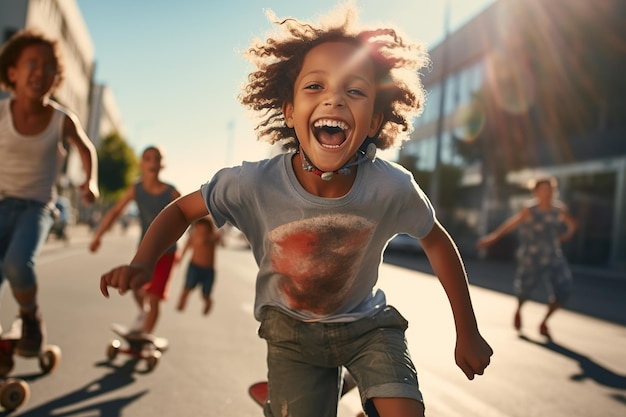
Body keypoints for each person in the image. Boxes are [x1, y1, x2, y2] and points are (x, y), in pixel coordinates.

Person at [99, 3, 493, 416]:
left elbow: (435, 239)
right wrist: (144, 261)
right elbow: (181, 211)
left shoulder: (390, 186)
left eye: (354, 90)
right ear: (289, 111)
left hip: (367, 327)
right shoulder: (253, 183)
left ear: (375, 120)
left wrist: (466, 328)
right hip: (291, 335)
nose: (335, 100)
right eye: (315, 87)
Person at [0, 29, 99, 356]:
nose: (40, 71)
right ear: (12, 72)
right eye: (32, 63)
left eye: (48, 66)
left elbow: (86, 149)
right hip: (2, 202)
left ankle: (30, 317)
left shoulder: (61, 119)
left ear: (56, 78)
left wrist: (91, 181)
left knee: (18, 265)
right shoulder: (2, 114)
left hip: (37, 207)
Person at [90, 145, 181, 334]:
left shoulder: (171, 192)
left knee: (155, 296)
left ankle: (145, 336)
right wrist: (98, 236)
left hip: (168, 251)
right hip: (145, 248)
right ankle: (143, 313)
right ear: (141, 164)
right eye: (148, 158)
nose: (153, 162)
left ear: (162, 164)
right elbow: (115, 212)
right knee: (135, 286)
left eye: (157, 158)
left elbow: (188, 216)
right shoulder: (136, 189)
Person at [477, 176, 577, 338]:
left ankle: (545, 321)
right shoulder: (529, 209)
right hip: (531, 256)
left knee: (564, 289)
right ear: (536, 192)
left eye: (549, 189)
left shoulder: (559, 209)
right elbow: (511, 224)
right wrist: (492, 238)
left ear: (553, 191)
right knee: (524, 290)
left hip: (553, 255)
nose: (546, 193)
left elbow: (572, 225)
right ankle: (519, 309)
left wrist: (567, 235)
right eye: (542, 190)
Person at [176, 216, 222, 315]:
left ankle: (208, 302)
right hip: (194, 267)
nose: (201, 232)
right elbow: (185, 248)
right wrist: (180, 260)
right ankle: (180, 306)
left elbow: (220, 240)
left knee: (205, 294)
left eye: (204, 230)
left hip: (208, 271)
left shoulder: (212, 237)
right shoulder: (193, 237)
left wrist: (215, 236)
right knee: (186, 289)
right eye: (199, 229)